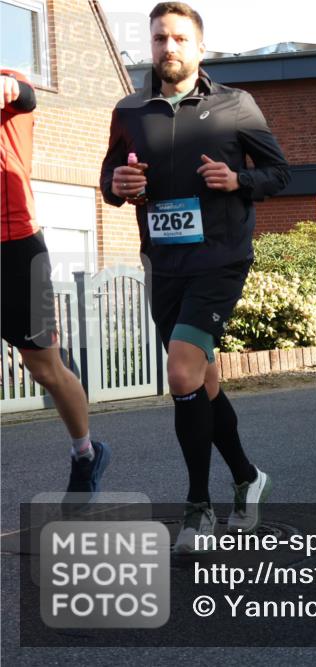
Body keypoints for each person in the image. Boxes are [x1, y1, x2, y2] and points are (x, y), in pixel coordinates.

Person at [101, 2, 288, 550]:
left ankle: (198, 507)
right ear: (152, 45)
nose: (169, 48)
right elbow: (110, 180)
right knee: (202, 380)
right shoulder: (131, 109)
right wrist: (121, 185)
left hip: (220, 259)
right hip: (165, 263)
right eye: (160, 38)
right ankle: (249, 477)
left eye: (180, 38)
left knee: (181, 372)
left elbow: (279, 172)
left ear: (200, 48)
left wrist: (237, 179)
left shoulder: (235, 105)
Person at [3, 68, 110, 497]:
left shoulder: (6, 80)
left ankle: (86, 453)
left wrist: (12, 89)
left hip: (17, 248)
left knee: (43, 367)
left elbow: (26, 97)